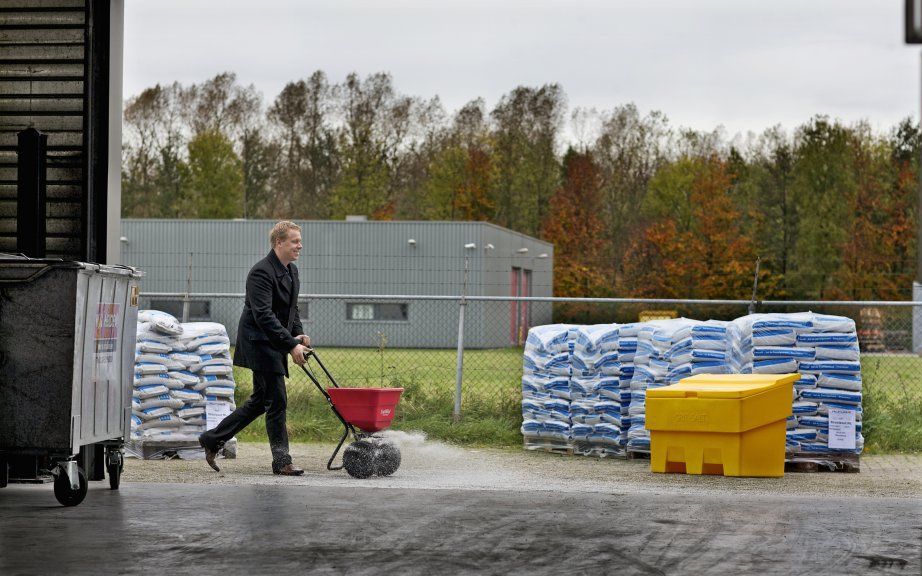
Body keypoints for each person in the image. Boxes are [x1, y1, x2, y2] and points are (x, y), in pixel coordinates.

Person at [199, 221, 311, 475]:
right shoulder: (261, 272)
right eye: (294, 241)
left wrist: (298, 333)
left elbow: (291, 310)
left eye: (299, 241)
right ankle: (282, 462)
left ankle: (212, 439)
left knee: (262, 401)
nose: (299, 245)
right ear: (278, 242)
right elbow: (263, 315)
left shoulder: (291, 271)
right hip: (259, 342)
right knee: (277, 401)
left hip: (274, 341)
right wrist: (291, 345)